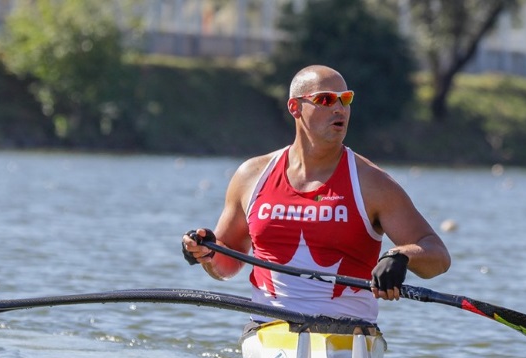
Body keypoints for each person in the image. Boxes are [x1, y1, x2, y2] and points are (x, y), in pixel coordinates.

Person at [182, 65, 450, 324]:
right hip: (268, 331)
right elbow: (227, 262)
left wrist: (401, 256)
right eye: (325, 99)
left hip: (349, 335)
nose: (339, 108)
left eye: (345, 99)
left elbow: (438, 256)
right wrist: (206, 252)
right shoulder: (251, 175)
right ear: (294, 107)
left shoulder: (372, 183)